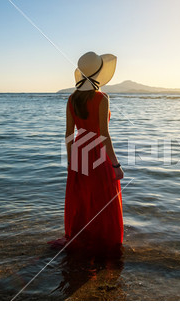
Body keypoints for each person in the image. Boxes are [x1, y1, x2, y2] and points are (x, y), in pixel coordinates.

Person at [50, 52, 124, 257]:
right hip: (98, 153)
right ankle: (104, 242)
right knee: (102, 198)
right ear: (99, 72)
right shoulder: (102, 98)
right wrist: (116, 165)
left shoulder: (72, 99)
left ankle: (83, 237)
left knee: (83, 198)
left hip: (79, 152)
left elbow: (68, 134)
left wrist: (70, 161)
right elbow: (104, 135)